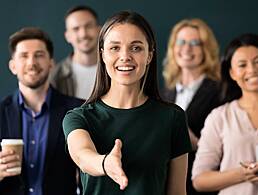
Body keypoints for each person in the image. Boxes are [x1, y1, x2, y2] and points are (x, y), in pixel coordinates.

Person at [63, 11, 192, 195]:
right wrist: (105, 163)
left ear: (149, 55)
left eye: (136, 48)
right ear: (103, 55)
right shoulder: (79, 117)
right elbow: (83, 156)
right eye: (115, 48)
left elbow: (178, 192)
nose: (125, 56)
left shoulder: (172, 117)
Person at [0, 27, 83, 195]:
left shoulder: (77, 111)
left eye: (39, 55)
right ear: (13, 66)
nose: (32, 63)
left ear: (51, 63)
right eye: (24, 56)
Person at [192, 33, 258, 195]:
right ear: (232, 73)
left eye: (257, 62)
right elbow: (200, 180)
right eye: (242, 65)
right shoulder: (219, 117)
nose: (252, 70)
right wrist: (243, 174)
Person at [162, 18, 222, 195]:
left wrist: (194, 141)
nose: (187, 49)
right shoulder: (166, 91)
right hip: (166, 183)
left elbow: (229, 147)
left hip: (200, 185)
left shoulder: (220, 91)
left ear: (206, 50)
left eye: (195, 43)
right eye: (181, 42)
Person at [50, 5, 100, 99]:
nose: (83, 34)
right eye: (76, 29)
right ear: (67, 36)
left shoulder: (115, 69)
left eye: (88, 26)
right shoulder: (55, 76)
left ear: (99, 30)